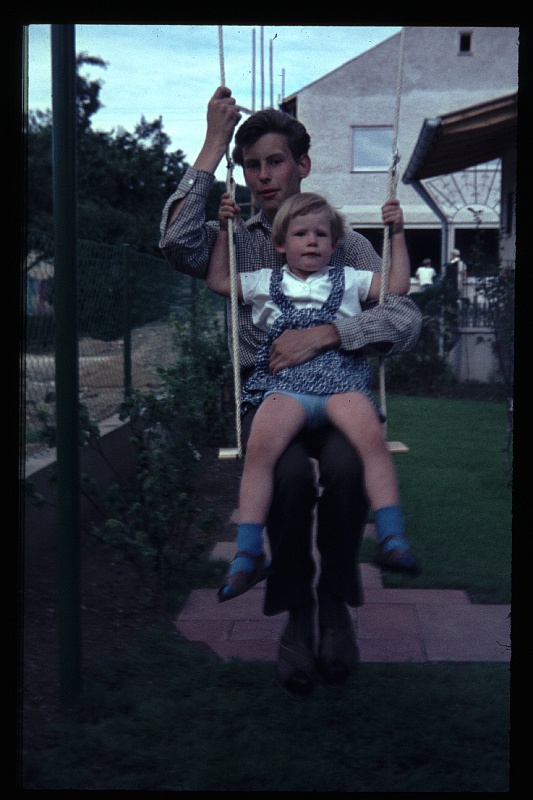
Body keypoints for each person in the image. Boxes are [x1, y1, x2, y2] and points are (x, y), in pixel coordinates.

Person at [159, 86, 422, 699]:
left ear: (301, 164)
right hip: (271, 394)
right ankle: (298, 618)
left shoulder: (329, 235)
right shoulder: (240, 233)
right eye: (250, 165)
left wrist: (329, 333)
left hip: (335, 390)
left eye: (274, 162)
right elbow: (176, 246)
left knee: (346, 466)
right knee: (290, 480)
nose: (262, 176)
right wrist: (211, 146)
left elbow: (404, 314)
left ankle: (334, 607)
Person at [207, 191, 420, 606]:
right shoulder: (265, 283)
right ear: (280, 243)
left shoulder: (350, 279)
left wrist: (397, 232)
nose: (311, 241)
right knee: (260, 450)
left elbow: (397, 285)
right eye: (301, 234)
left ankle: (392, 537)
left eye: (321, 234)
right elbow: (218, 281)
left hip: (342, 382)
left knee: (372, 441)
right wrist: (222, 231)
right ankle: (249, 552)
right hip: (286, 385)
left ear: (334, 246)